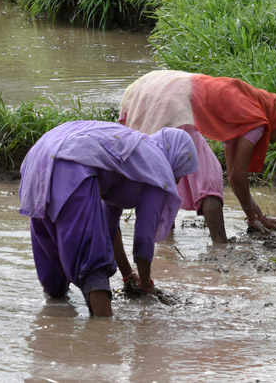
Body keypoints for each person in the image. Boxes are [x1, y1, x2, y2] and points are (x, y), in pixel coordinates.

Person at [19, 120, 198, 317]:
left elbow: (109, 227)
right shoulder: (159, 169)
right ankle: (103, 335)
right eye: (181, 172)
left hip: (40, 157)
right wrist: (146, 286)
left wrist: (128, 276)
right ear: (176, 158)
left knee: (55, 275)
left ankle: (54, 326)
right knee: (93, 263)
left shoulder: (135, 155)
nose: (179, 180)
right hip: (71, 161)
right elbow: (144, 237)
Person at [119, 70, 276, 245]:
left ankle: (165, 244)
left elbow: (234, 178)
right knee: (210, 178)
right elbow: (238, 177)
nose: (273, 141)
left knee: (165, 174)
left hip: (149, 86)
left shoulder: (246, 107)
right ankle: (220, 248)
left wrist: (257, 216)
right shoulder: (257, 123)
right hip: (173, 99)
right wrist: (252, 217)